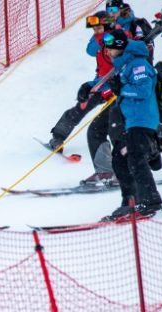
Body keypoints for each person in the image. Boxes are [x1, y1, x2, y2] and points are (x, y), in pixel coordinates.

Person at [47, 12, 117, 184]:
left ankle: (116, 169)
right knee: (80, 108)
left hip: (114, 87)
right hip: (100, 83)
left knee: (111, 125)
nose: (96, 31)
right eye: (94, 28)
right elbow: (90, 50)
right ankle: (58, 137)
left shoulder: (114, 40)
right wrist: (99, 36)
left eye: (99, 27)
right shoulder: (100, 40)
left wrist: (106, 37)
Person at [103, 30, 162, 219]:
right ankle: (130, 200)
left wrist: (122, 89)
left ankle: (151, 200)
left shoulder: (138, 64)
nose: (107, 50)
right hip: (132, 122)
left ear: (120, 47)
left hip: (143, 120)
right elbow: (111, 84)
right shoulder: (124, 65)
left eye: (111, 46)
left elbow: (143, 90)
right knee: (119, 159)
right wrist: (89, 87)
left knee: (135, 158)